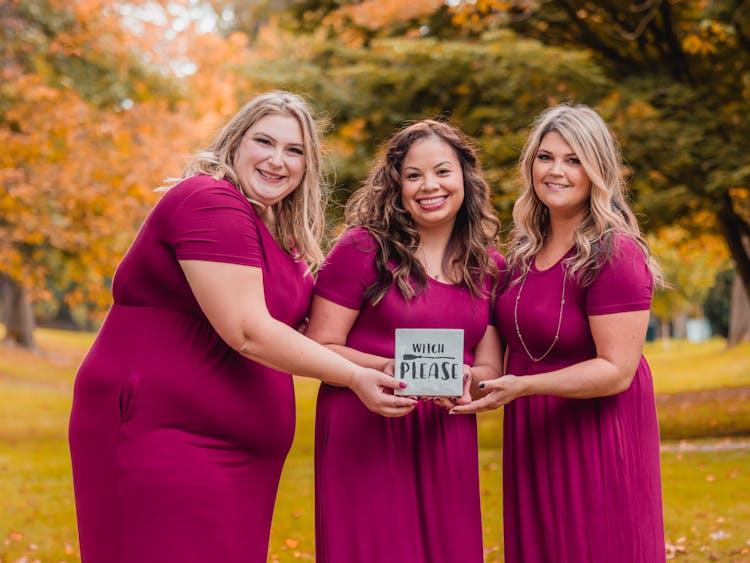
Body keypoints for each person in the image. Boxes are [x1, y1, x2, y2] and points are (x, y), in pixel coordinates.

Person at [68, 90, 417, 563]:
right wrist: (355, 377)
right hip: (165, 434)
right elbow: (248, 331)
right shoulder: (209, 201)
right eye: (264, 142)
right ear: (235, 142)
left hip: (239, 454)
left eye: (294, 151)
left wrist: (393, 368)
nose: (278, 161)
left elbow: (305, 339)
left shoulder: (276, 235)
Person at [452, 103, 666, 562]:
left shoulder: (615, 252)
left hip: (598, 436)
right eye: (545, 157)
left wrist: (526, 386)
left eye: (573, 160)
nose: (556, 171)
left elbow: (616, 371)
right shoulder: (523, 253)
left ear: (596, 170)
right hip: (533, 431)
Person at [304, 119, 504, 563]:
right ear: (395, 184)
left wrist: (470, 383)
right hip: (364, 427)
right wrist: (385, 370)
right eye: (413, 175)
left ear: (465, 178)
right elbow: (319, 345)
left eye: (442, 171)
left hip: (444, 436)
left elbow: (490, 369)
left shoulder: (490, 266)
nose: (429, 185)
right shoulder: (361, 249)